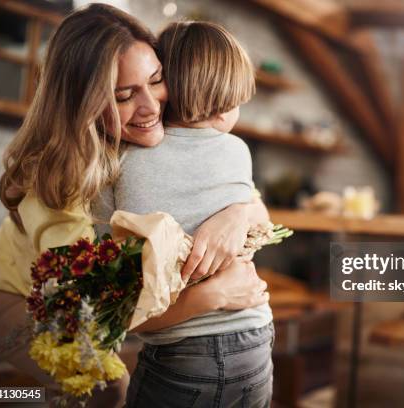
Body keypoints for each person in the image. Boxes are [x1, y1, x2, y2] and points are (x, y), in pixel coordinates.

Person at [0, 4, 269, 407]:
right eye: (124, 95)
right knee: (103, 385)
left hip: (22, 254)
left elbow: (251, 203)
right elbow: (93, 316)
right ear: (85, 105)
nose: (151, 106)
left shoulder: (137, 143)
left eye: (157, 80)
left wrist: (238, 213)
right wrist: (211, 296)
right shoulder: (65, 187)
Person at [92, 21, 273, 408]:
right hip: (253, 335)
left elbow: (115, 291)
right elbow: (263, 222)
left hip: (178, 352)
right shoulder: (237, 152)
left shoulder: (118, 161)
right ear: (224, 108)